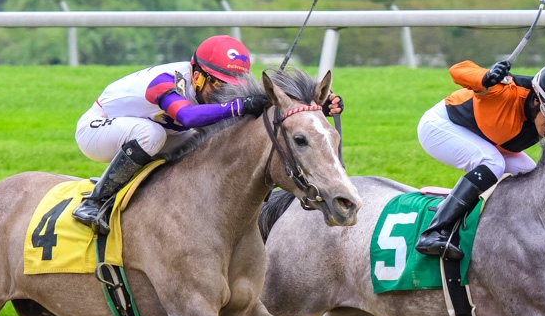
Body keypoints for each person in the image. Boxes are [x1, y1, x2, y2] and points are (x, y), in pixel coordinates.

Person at [72, 35, 343, 233]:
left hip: (162, 131)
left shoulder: (207, 84)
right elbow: (186, 116)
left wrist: (317, 110)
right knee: (150, 133)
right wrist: (239, 104)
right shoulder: (166, 81)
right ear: (197, 74)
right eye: (218, 84)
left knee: (206, 146)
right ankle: (95, 203)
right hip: (98, 130)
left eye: (232, 87)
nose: (223, 93)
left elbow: (268, 120)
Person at [415, 59, 545, 260]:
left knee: (532, 176)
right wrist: (486, 77)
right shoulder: (504, 90)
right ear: (535, 100)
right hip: (440, 127)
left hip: (489, 142)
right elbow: (457, 70)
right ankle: (434, 232)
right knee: (492, 163)